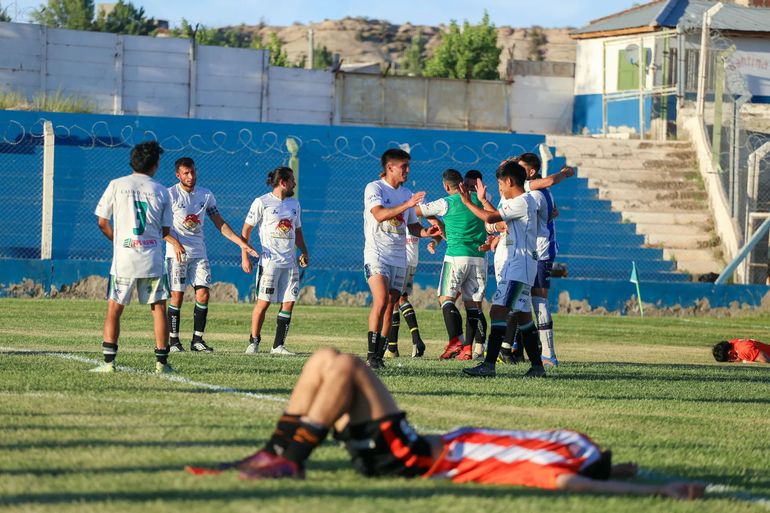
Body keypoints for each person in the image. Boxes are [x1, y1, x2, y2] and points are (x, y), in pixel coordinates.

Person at [184, 348, 705, 501]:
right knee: (325, 359)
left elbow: (572, 485)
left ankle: (291, 461)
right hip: (404, 448)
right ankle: (273, 452)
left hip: (408, 458)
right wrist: (626, 471)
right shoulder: (567, 451)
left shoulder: (554, 463)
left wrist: (660, 491)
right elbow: (604, 472)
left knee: (346, 367)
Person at [91, 141, 183, 374]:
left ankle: (109, 363)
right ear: (155, 164)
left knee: (114, 308)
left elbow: (102, 221)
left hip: (124, 260)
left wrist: (118, 240)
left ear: (132, 161)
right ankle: (162, 363)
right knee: (158, 308)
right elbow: (165, 230)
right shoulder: (161, 191)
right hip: (151, 260)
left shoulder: (117, 184)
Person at [457, 159, 543, 378]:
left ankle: (488, 365)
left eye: (500, 184)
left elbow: (490, 217)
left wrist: (467, 202)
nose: (500, 188)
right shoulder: (520, 202)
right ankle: (537, 367)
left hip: (519, 266)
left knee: (498, 311)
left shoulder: (522, 202)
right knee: (524, 317)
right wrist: (483, 201)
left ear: (510, 181)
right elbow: (498, 219)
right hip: (521, 265)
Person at [166, 157, 258, 353]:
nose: (190, 176)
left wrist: (241, 243)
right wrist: (175, 243)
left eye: (192, 172)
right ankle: (173, 342)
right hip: (177, 254)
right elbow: (160, 227)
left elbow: (220, 223)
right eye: (185, 173)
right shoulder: (170, 195)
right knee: (177, 296)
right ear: (178, 175)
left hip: (199, 253)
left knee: (203, 294)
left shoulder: (205, 195)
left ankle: (197, 341)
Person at [363, 149, 440, 368]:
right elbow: (379, 214)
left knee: (391, 305)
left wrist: (426, 232)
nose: (407, 170)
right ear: (390, 168)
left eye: (408, 166)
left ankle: (379, 357)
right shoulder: (375, 188)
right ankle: (371, 354)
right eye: (403, 166)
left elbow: (413, 226)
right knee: (380, 300)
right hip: (377, 254)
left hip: (399, 257)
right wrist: (408, 204)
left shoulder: (407, 193)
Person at [416, 169, 489, 361]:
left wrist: (431, 217)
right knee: (473, 305)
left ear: (446, 186)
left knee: (445, 299)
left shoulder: (445, 203)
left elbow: (415, 211)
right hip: (479, 258)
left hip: (456, 257)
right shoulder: (482, 199)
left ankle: (456, 341)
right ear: (462, 184)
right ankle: (468, 350)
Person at [241, 167, 309, 356]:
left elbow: (297, 231)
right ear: (283, 182)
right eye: (292, 180)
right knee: (263, 303)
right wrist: (244, 256)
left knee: (289, 302)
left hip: (290, 264)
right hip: (269, 263)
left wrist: (304, 251)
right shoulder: (262, 202)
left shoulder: (294, 204)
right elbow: (246, 230)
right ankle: (254, 342)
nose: (294, 183)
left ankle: (278, 346)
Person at [519, 153, 560, 367]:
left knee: (538, 300)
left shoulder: (534, 193)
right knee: (523, 298)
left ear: (532, 172)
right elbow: (554, 212)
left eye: (521, 168)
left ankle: (548, 354)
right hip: (536, 249)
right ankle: (518, 346)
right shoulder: (540, 191)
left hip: (540, 251)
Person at [384, 231, 427, 358]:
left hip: (401, 258)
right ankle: (414, 340)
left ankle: (393, 348)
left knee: (393, 300)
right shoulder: (418, 217)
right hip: (412, 259)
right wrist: (435, 241)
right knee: (401, 299)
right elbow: (436, 224)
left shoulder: (408, 216)